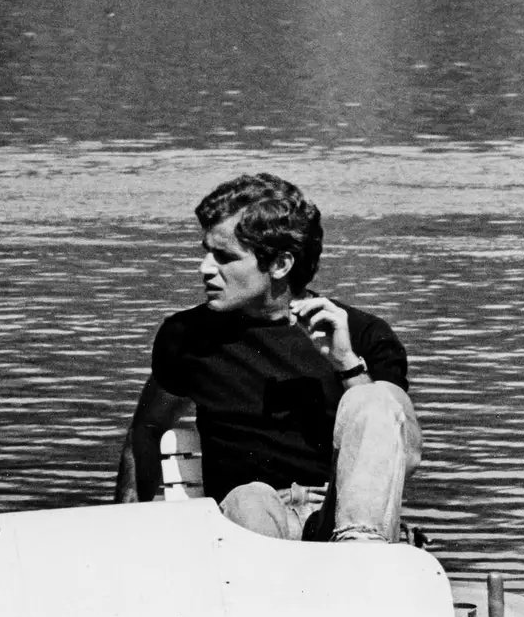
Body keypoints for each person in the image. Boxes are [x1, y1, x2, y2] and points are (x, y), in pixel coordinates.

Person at [113, 173, 421, 543]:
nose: (205, 268)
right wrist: (126, 534)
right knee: (250, 498)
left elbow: (410, 455)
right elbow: (146, 430)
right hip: (247, 521)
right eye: (206, 252)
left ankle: (357, 559)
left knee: (371, 398)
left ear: (280, 264)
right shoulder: (188, 336)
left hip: (339, 519)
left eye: (224, 257)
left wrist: (346, 364)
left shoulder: (361, 333)